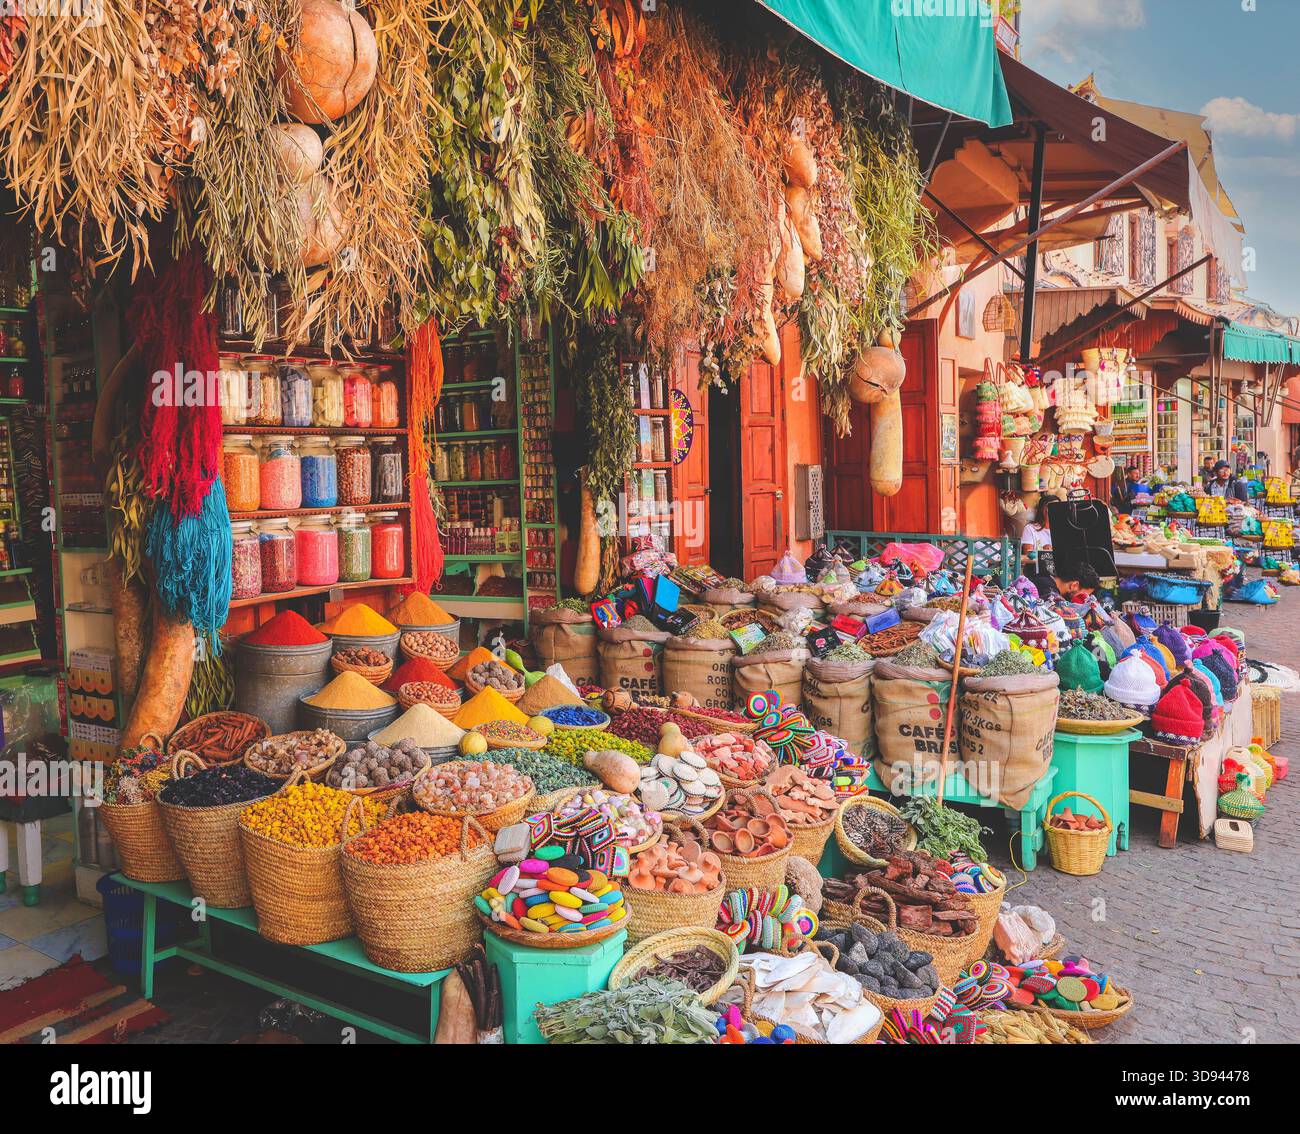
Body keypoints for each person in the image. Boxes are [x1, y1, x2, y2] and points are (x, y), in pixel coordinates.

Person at [1029, 561, 1101, 604]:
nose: (1085, 599)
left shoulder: (1044, 578)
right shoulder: (1050, 594)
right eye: (1085, 595)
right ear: (1074, 585)